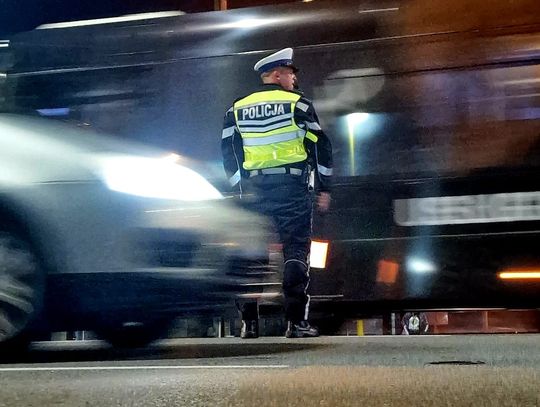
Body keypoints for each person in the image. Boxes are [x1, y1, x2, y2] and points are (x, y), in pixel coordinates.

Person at [221, 48, 333, 338]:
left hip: (255, 192)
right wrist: (324, 187)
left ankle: (249, 324)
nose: (294, 78)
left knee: (252, 254)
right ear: (276, 74)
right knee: (295, 251)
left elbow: (229, 150)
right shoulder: (299, 104)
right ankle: (295, 323)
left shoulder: (237, 107)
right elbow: (320, 146)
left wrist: (239, 187)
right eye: (290, 72)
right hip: (293, 189)